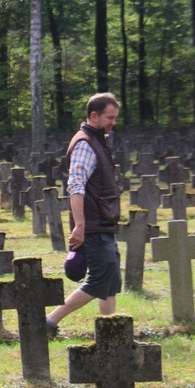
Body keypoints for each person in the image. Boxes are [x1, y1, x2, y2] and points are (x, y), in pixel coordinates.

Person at [46, 93, 122, 336]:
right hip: (93, 224)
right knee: (100, 279)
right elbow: (76, 186)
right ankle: (49, 321)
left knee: (111, 280)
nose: (113, 122)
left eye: (115, 118)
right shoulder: (85, 143)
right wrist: (80, 225)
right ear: (94, 116)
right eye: (109, 118)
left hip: (104, 221)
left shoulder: (100, 140)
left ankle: (110, 331)